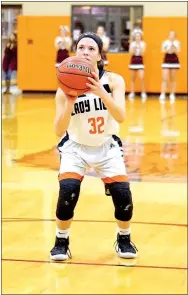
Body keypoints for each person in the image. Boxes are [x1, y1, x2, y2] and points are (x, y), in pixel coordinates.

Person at [50, 32, 138, 261]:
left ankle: (124, 238)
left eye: (91, 49)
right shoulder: (65, 86)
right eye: (81, 48)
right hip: (75, 147)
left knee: (123, 195)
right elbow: (59, 131)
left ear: (99, 56)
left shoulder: (114, 80)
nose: (85, 52)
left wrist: (101, 92)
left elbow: (121, 116)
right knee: (67, 191)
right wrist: (69, 103)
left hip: (107, 146)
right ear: (75, 52)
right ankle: (61, 241)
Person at [159, 30, 181, 102]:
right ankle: (163, 94)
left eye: (173, 35)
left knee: (173, 78)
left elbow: (178, 51)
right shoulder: (165, 42)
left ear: (175, 36)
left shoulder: (177, 43)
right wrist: (168, 48)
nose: (171, 36)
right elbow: (162, 51)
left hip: (174, 60)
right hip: (167, 59)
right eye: (170, 35)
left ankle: (172, 94)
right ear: (168, 35)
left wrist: (173, 46)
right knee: (164, 78)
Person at [128, 29, 147, 101]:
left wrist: (139, 46)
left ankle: (143, 92)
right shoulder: (132, 44)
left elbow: (142, 53)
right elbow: (131, 53)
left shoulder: (143, 44)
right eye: (136, 36)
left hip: (140, 60)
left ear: (141, 37)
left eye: (139, 36)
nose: (137, 37)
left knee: (141, 77)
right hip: (133, 60)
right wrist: (134, 47)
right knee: (132, 78)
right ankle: (132, 92)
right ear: (134, 37)